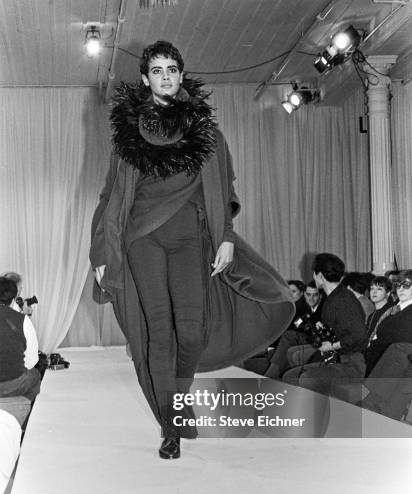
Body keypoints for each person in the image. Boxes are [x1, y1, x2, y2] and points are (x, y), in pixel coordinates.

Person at [89, 40, 294, 459]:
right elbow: (111, 195)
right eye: (157, 70)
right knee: (159, 333)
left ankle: (177, 404)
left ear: (181, 76)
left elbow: (225, 187)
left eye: (172, 70)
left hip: (190, 238)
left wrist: (225, 237)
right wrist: (101, 254)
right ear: (145, 79)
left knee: (194, 331)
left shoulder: (206, 132)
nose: (165, 76)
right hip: (142, 239)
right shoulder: (127, 135)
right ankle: (173, 423)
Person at [282, 253, 367, 396]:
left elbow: (359, 336)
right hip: (335, 359)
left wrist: (332, 346)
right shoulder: (333, 298)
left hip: (351, 364)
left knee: (307, 379)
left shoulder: (343, 300)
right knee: (291, 376)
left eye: (314, 274)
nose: (313, 277)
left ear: (320, 275)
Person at [265, 281, 324, 379]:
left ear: (320, 296)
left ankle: (270, 376)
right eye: (308, 295)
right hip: (301, 337)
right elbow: (293, 325)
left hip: (317, 340)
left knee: (289, 337)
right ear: (304, 294)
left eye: (315, 295)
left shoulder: (323, 307)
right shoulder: (300, 306)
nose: (311, 298)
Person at [0, 277, 41, 404]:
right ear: (13, 300)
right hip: (13, 383)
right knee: (35, 376)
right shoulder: (22, 320)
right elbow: (33, 359)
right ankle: (22, 411)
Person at [364, 269, 412, 376]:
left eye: (406, 285)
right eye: (398, 285)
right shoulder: (396, 306)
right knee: (364, 391)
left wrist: (378, 339)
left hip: (392, 362)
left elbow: (402, 338)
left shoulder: (407, 309)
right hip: (377, 358)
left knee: (367, 392)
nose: (401, 288)